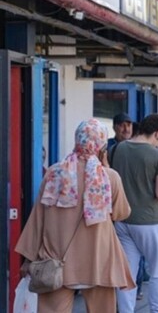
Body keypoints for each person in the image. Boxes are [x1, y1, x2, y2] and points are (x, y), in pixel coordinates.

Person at [16, 118, 135, 312]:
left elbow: (38, 218)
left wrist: (28, 258)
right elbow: (121, 213)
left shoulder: (54, 174)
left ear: (77, 140)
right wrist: (105, 165)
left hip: (56, 261)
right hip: (98, 261)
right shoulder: (108, 177)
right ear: (101, 144)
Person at [111, 113, 158, 313]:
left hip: (122, 220)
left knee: (127, 273)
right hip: (149, 221)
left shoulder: (117, 149)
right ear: (157, 133)